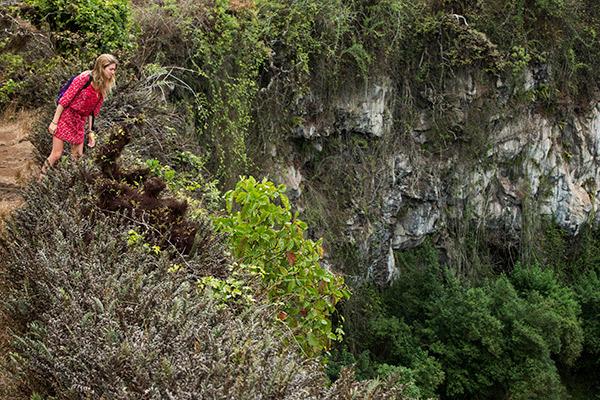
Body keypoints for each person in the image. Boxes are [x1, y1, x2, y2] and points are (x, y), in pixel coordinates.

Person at [42, 54, 118, 174]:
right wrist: (54, 122)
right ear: (101, 68)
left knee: (77, 157)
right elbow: (64, 100)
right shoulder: (84, 78)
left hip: (80, 122)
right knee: (56, 155)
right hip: (66, 116)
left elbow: (92, 112)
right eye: (111, 69)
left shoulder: (103, 86)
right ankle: (39, 183)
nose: (113, 72)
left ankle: (70, 187)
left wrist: (90, 132)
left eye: (114, 69)